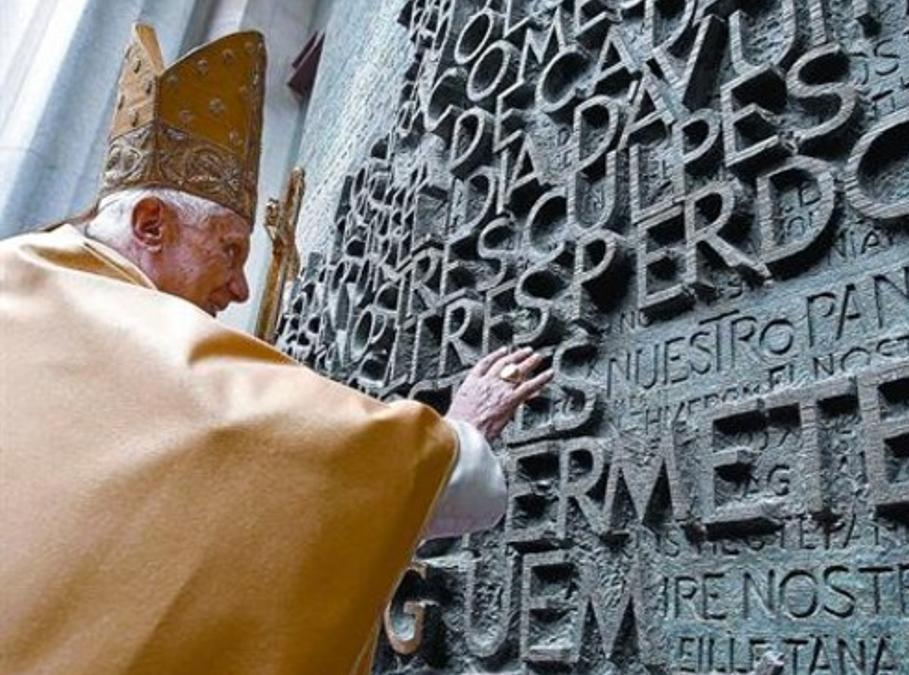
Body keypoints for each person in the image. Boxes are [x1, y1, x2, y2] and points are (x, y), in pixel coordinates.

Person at [0, 25, 550, 675]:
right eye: (230, 249)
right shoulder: (118, 326)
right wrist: (455, 442)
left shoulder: (26, 278)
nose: (239, 288)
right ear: (150, 224)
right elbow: (244, 436)